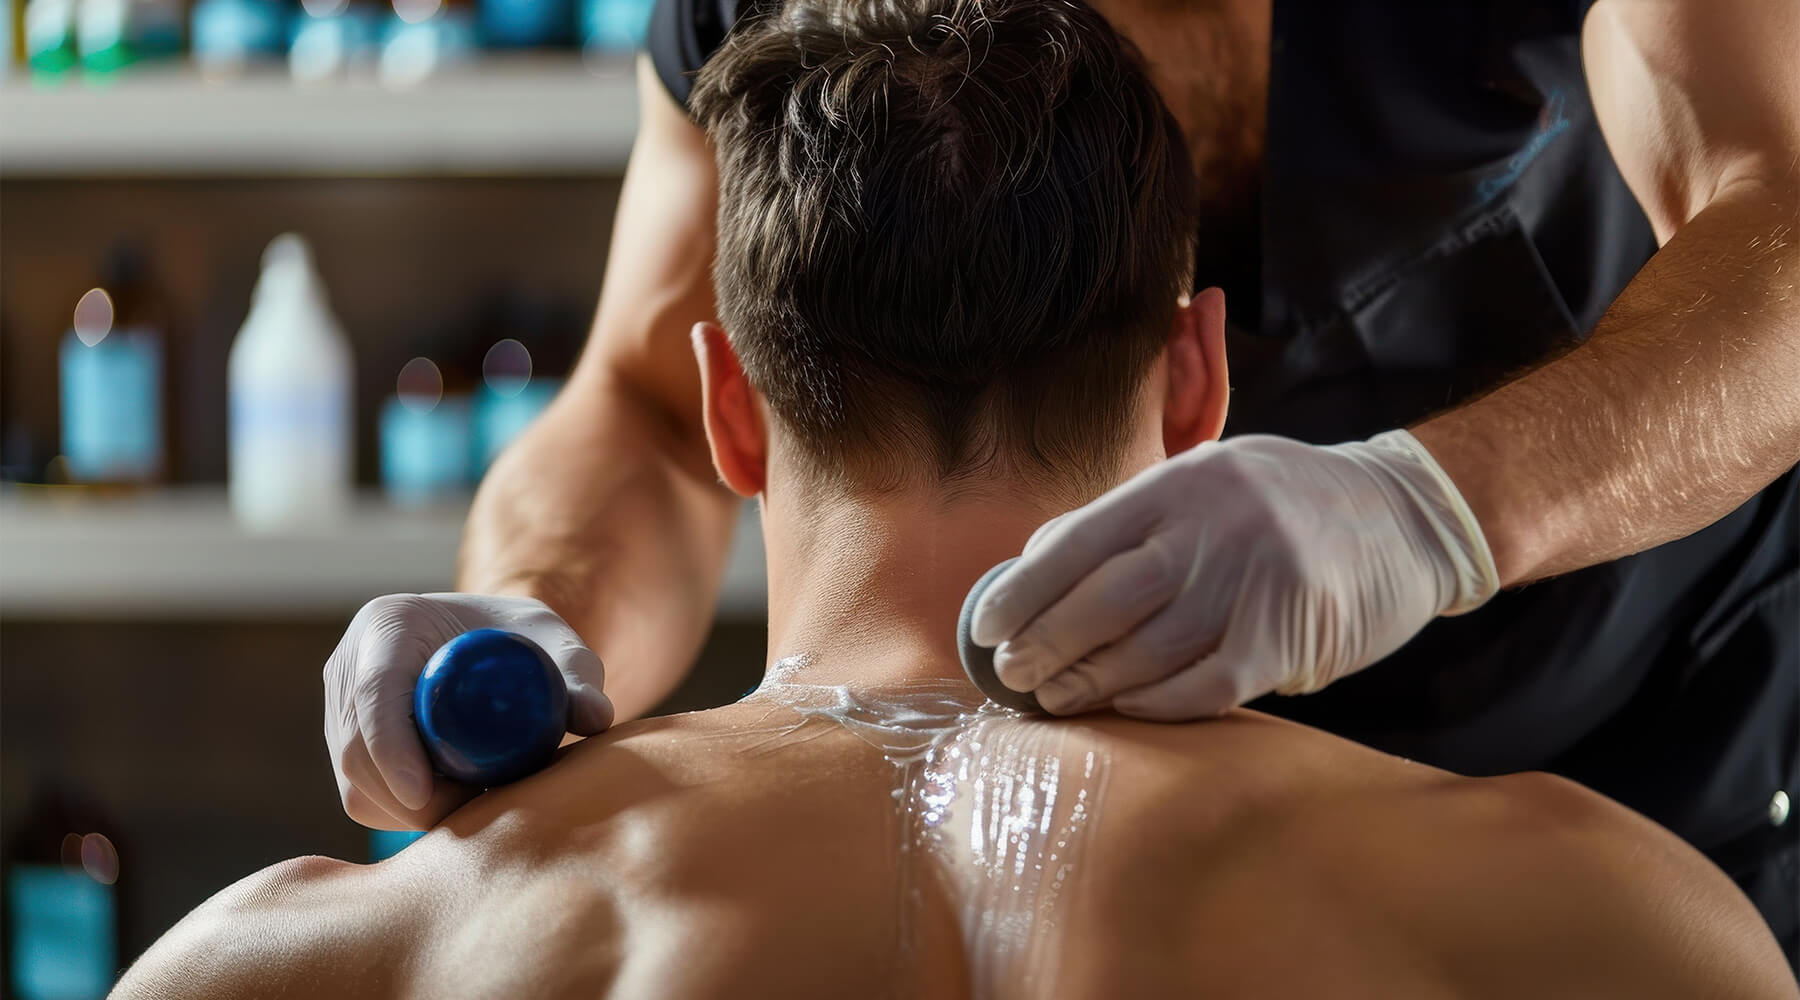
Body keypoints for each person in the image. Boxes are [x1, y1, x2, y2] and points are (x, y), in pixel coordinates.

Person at [122, 6, 1793, 994]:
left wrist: (1428, 512)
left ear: (748, 402)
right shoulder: (1629, 935)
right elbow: (626, 401)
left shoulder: (297, 962)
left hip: (1617, 707)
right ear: (1197, 382)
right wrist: (527, 619)